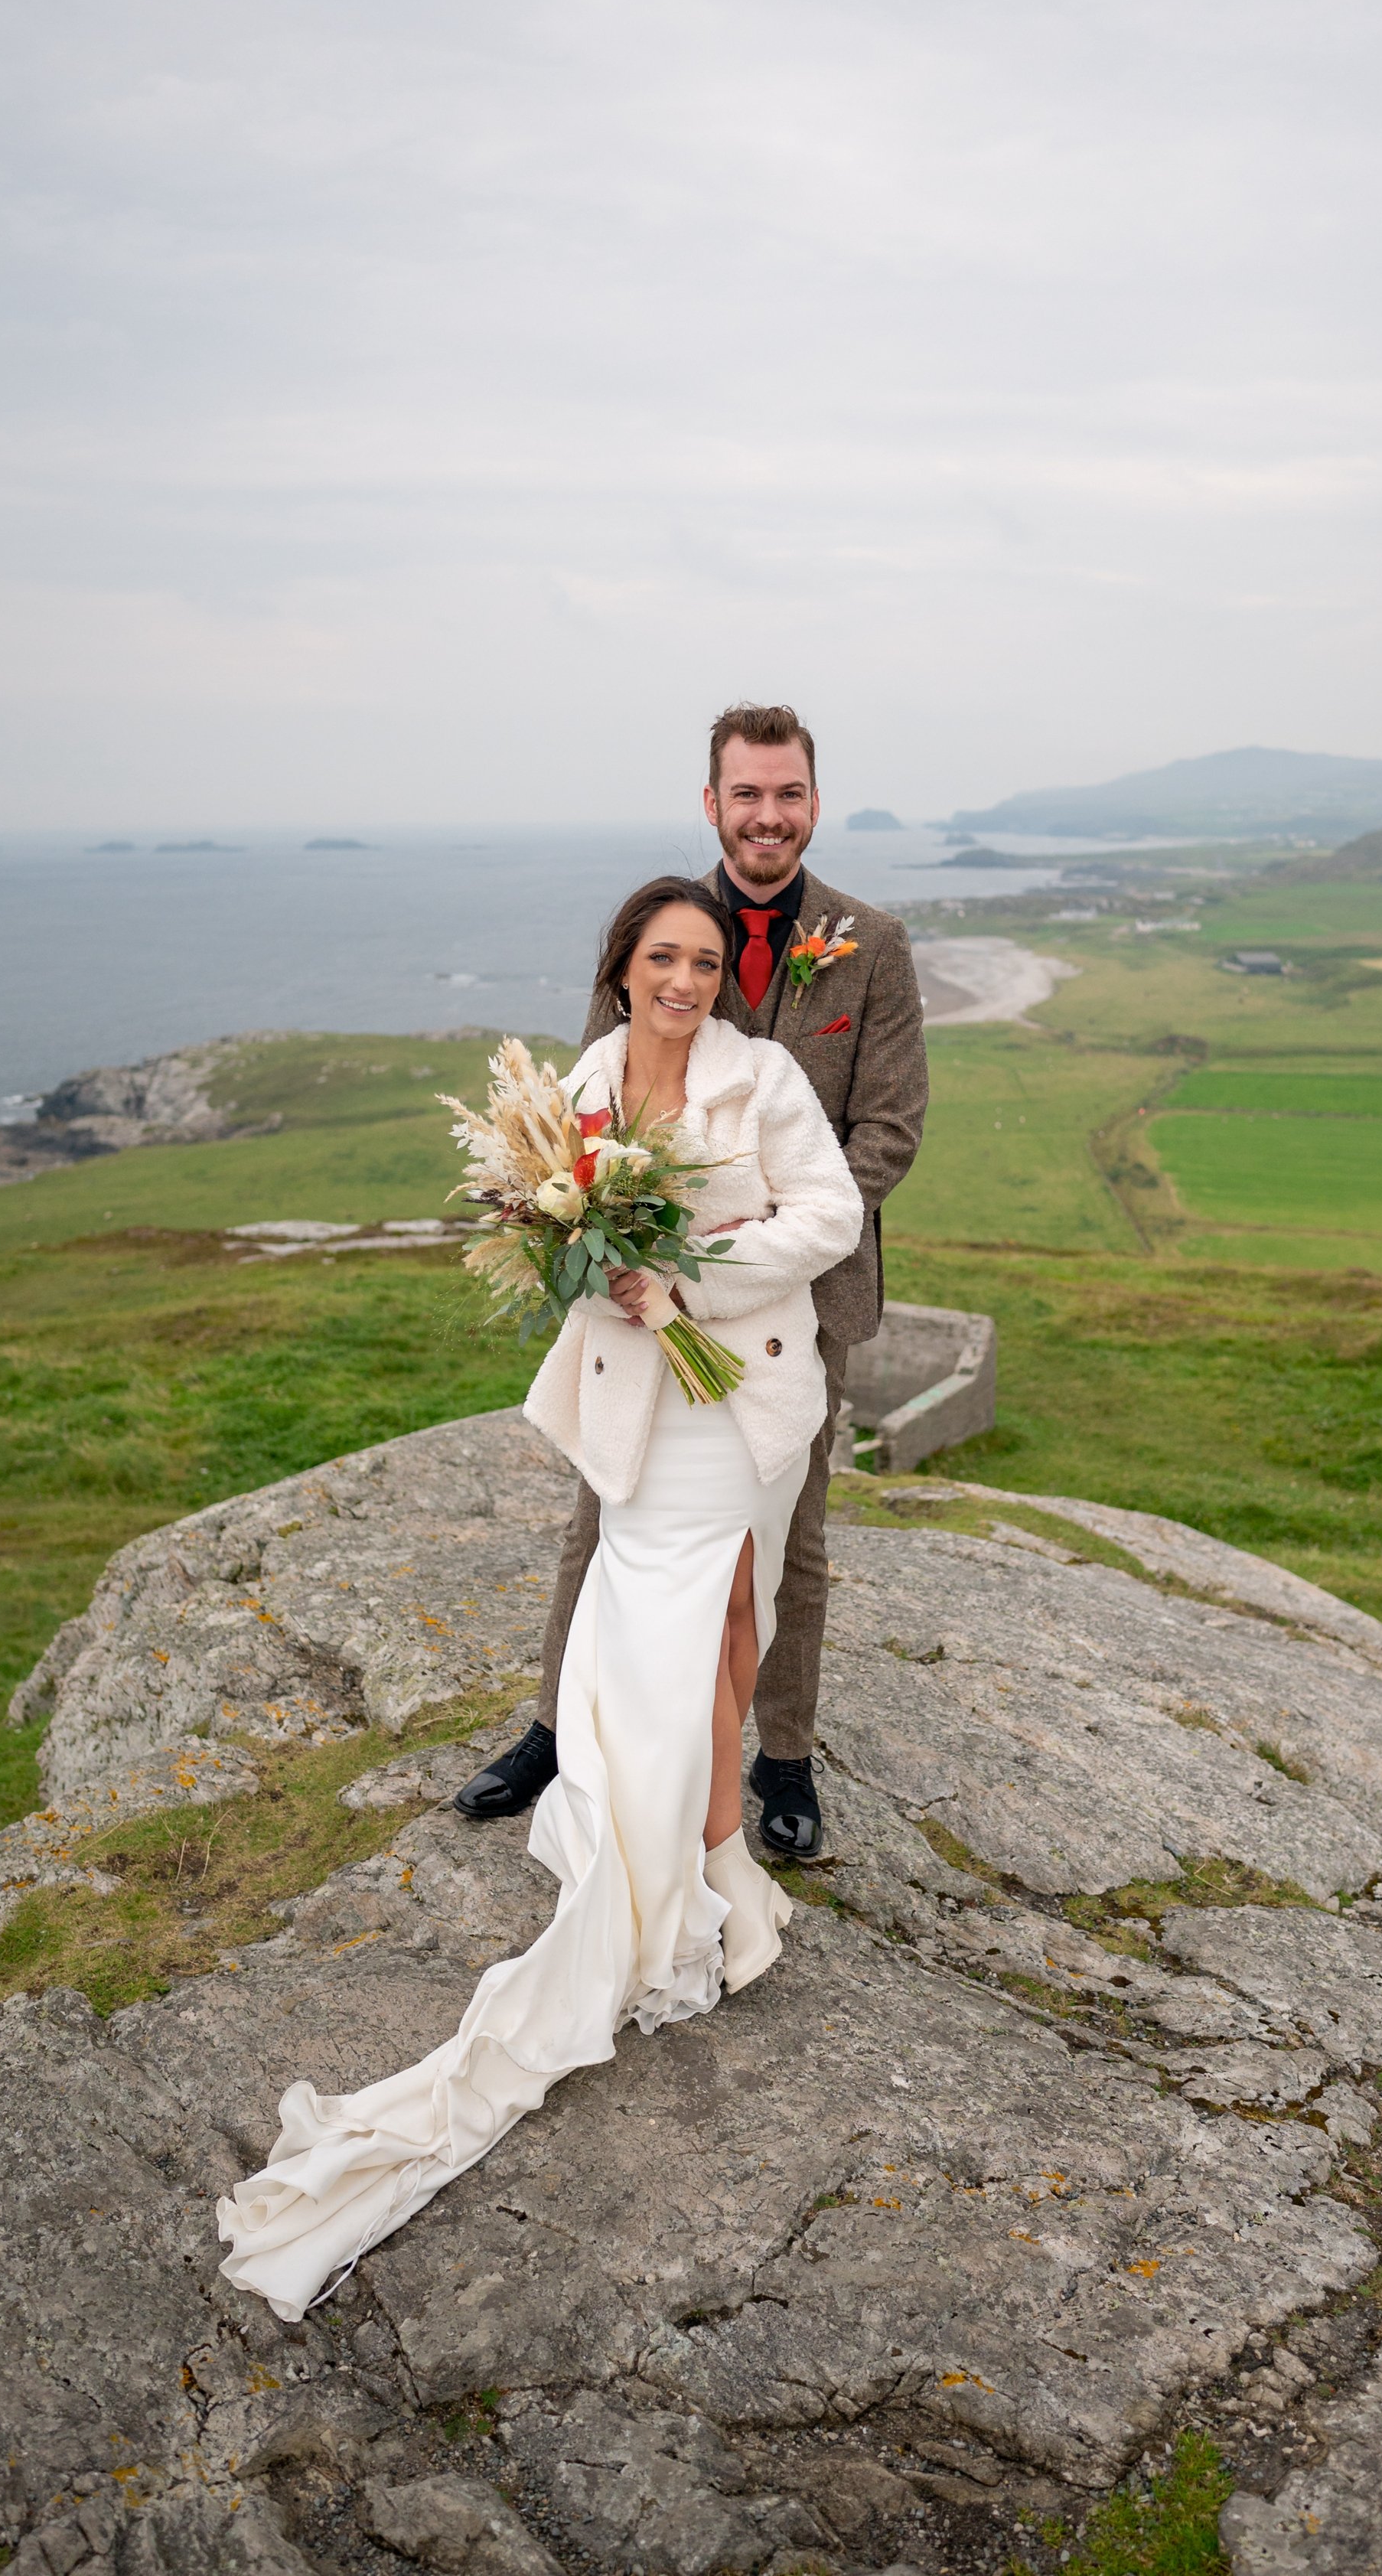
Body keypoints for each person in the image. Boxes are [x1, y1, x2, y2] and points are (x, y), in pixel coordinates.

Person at [215, 876, 863, 2320]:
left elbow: (831, 1214)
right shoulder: (576, 1082)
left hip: (748, 1398)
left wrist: (690, 1270)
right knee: (656, 1626)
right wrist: (601, 1267)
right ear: (620, 971)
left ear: (720, 979)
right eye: (661, 959)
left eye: (703, 961)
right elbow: (559, 1250)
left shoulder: (762, 1080)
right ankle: (687, 1862)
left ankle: (707, 1859)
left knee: (737, 1613)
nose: (684, 980)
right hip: (651, 1416)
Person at [458, 702, 928, 1858]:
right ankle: (558, 1730)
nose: (769, 816)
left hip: (802, 1294)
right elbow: (593, 1113)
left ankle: (783, 1758)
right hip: (637, 1294)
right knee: (606, 1506)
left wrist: (754, 1244)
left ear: (815, 803)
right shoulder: (664, 928)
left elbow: (889, 1131)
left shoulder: (874, 942)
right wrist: (622, 1235)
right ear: (712, 803)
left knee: (790, 1535)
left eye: (790, 794)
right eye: (747, 794)